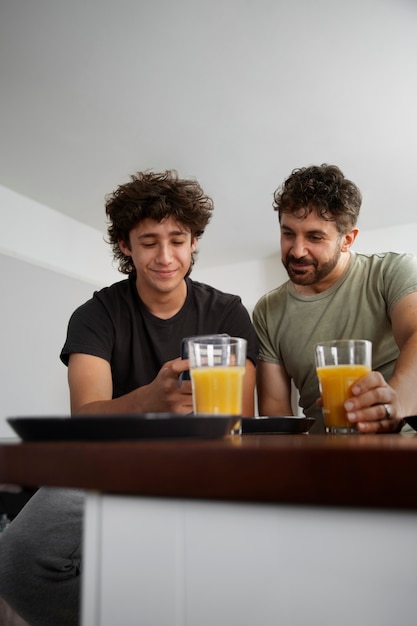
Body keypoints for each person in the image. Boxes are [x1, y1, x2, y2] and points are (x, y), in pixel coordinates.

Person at [0, 169, 258, 626]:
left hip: (204, 461)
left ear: (194, 241)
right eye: (148, 241)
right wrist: (147, 401)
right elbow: (85, 416)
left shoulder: (228, 312)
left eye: (177, 240)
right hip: (108, 462)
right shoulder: (96, 314)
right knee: (16, 561)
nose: (165, 256)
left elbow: (238, 415)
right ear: (125, 245)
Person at [253, 163, 417, 434]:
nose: (297, 250)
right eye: (288, 233)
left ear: (347, 240)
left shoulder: (391, 273)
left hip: (403, 450)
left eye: (315, 237)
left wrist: (396, 402)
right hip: (323, 462)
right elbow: (277, 421)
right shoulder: (268, 310)